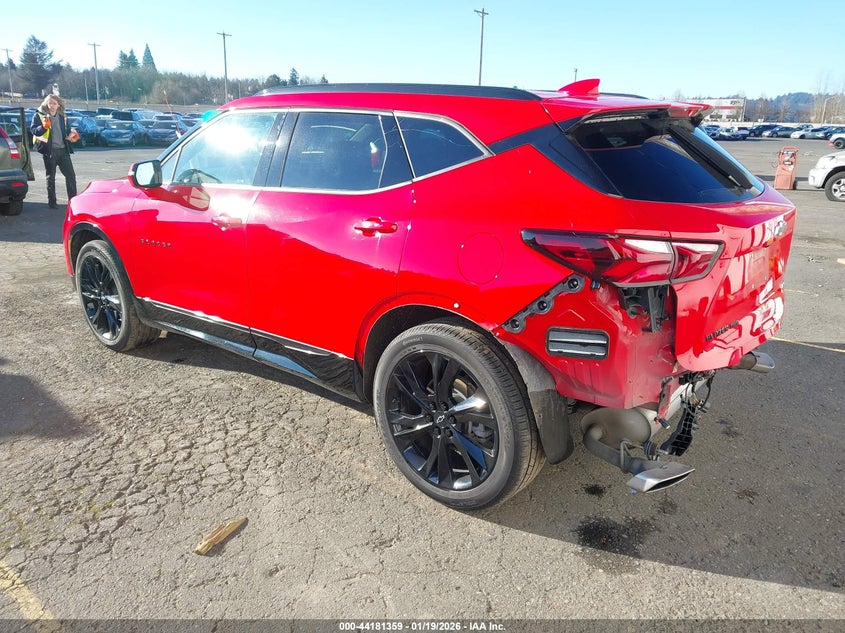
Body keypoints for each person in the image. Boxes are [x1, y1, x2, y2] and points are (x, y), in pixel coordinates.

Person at [30, 94, 78, 209]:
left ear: (58, 105)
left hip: (63, 151)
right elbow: (33, 130)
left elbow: (66, 131)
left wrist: (72, 136)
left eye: (54, 103)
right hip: (49, 151)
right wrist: (43, 127)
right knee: (50, 177)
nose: (52, 106)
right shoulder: (39, 115)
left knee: (71, 176)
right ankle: (52, 202)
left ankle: (73, 202)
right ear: (46, 103)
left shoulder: (62, 116)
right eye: (50, 103)